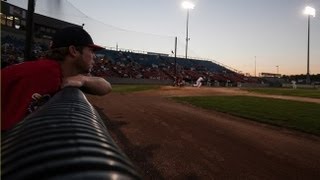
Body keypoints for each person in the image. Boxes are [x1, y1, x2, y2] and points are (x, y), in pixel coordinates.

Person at [1, 26, 112, 131]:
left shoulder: (62, 73)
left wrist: (83, 79)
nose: (94, 56)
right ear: (74, 51)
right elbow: (10, 132)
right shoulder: (42, 74)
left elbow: (106, 87)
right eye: (91, 51)